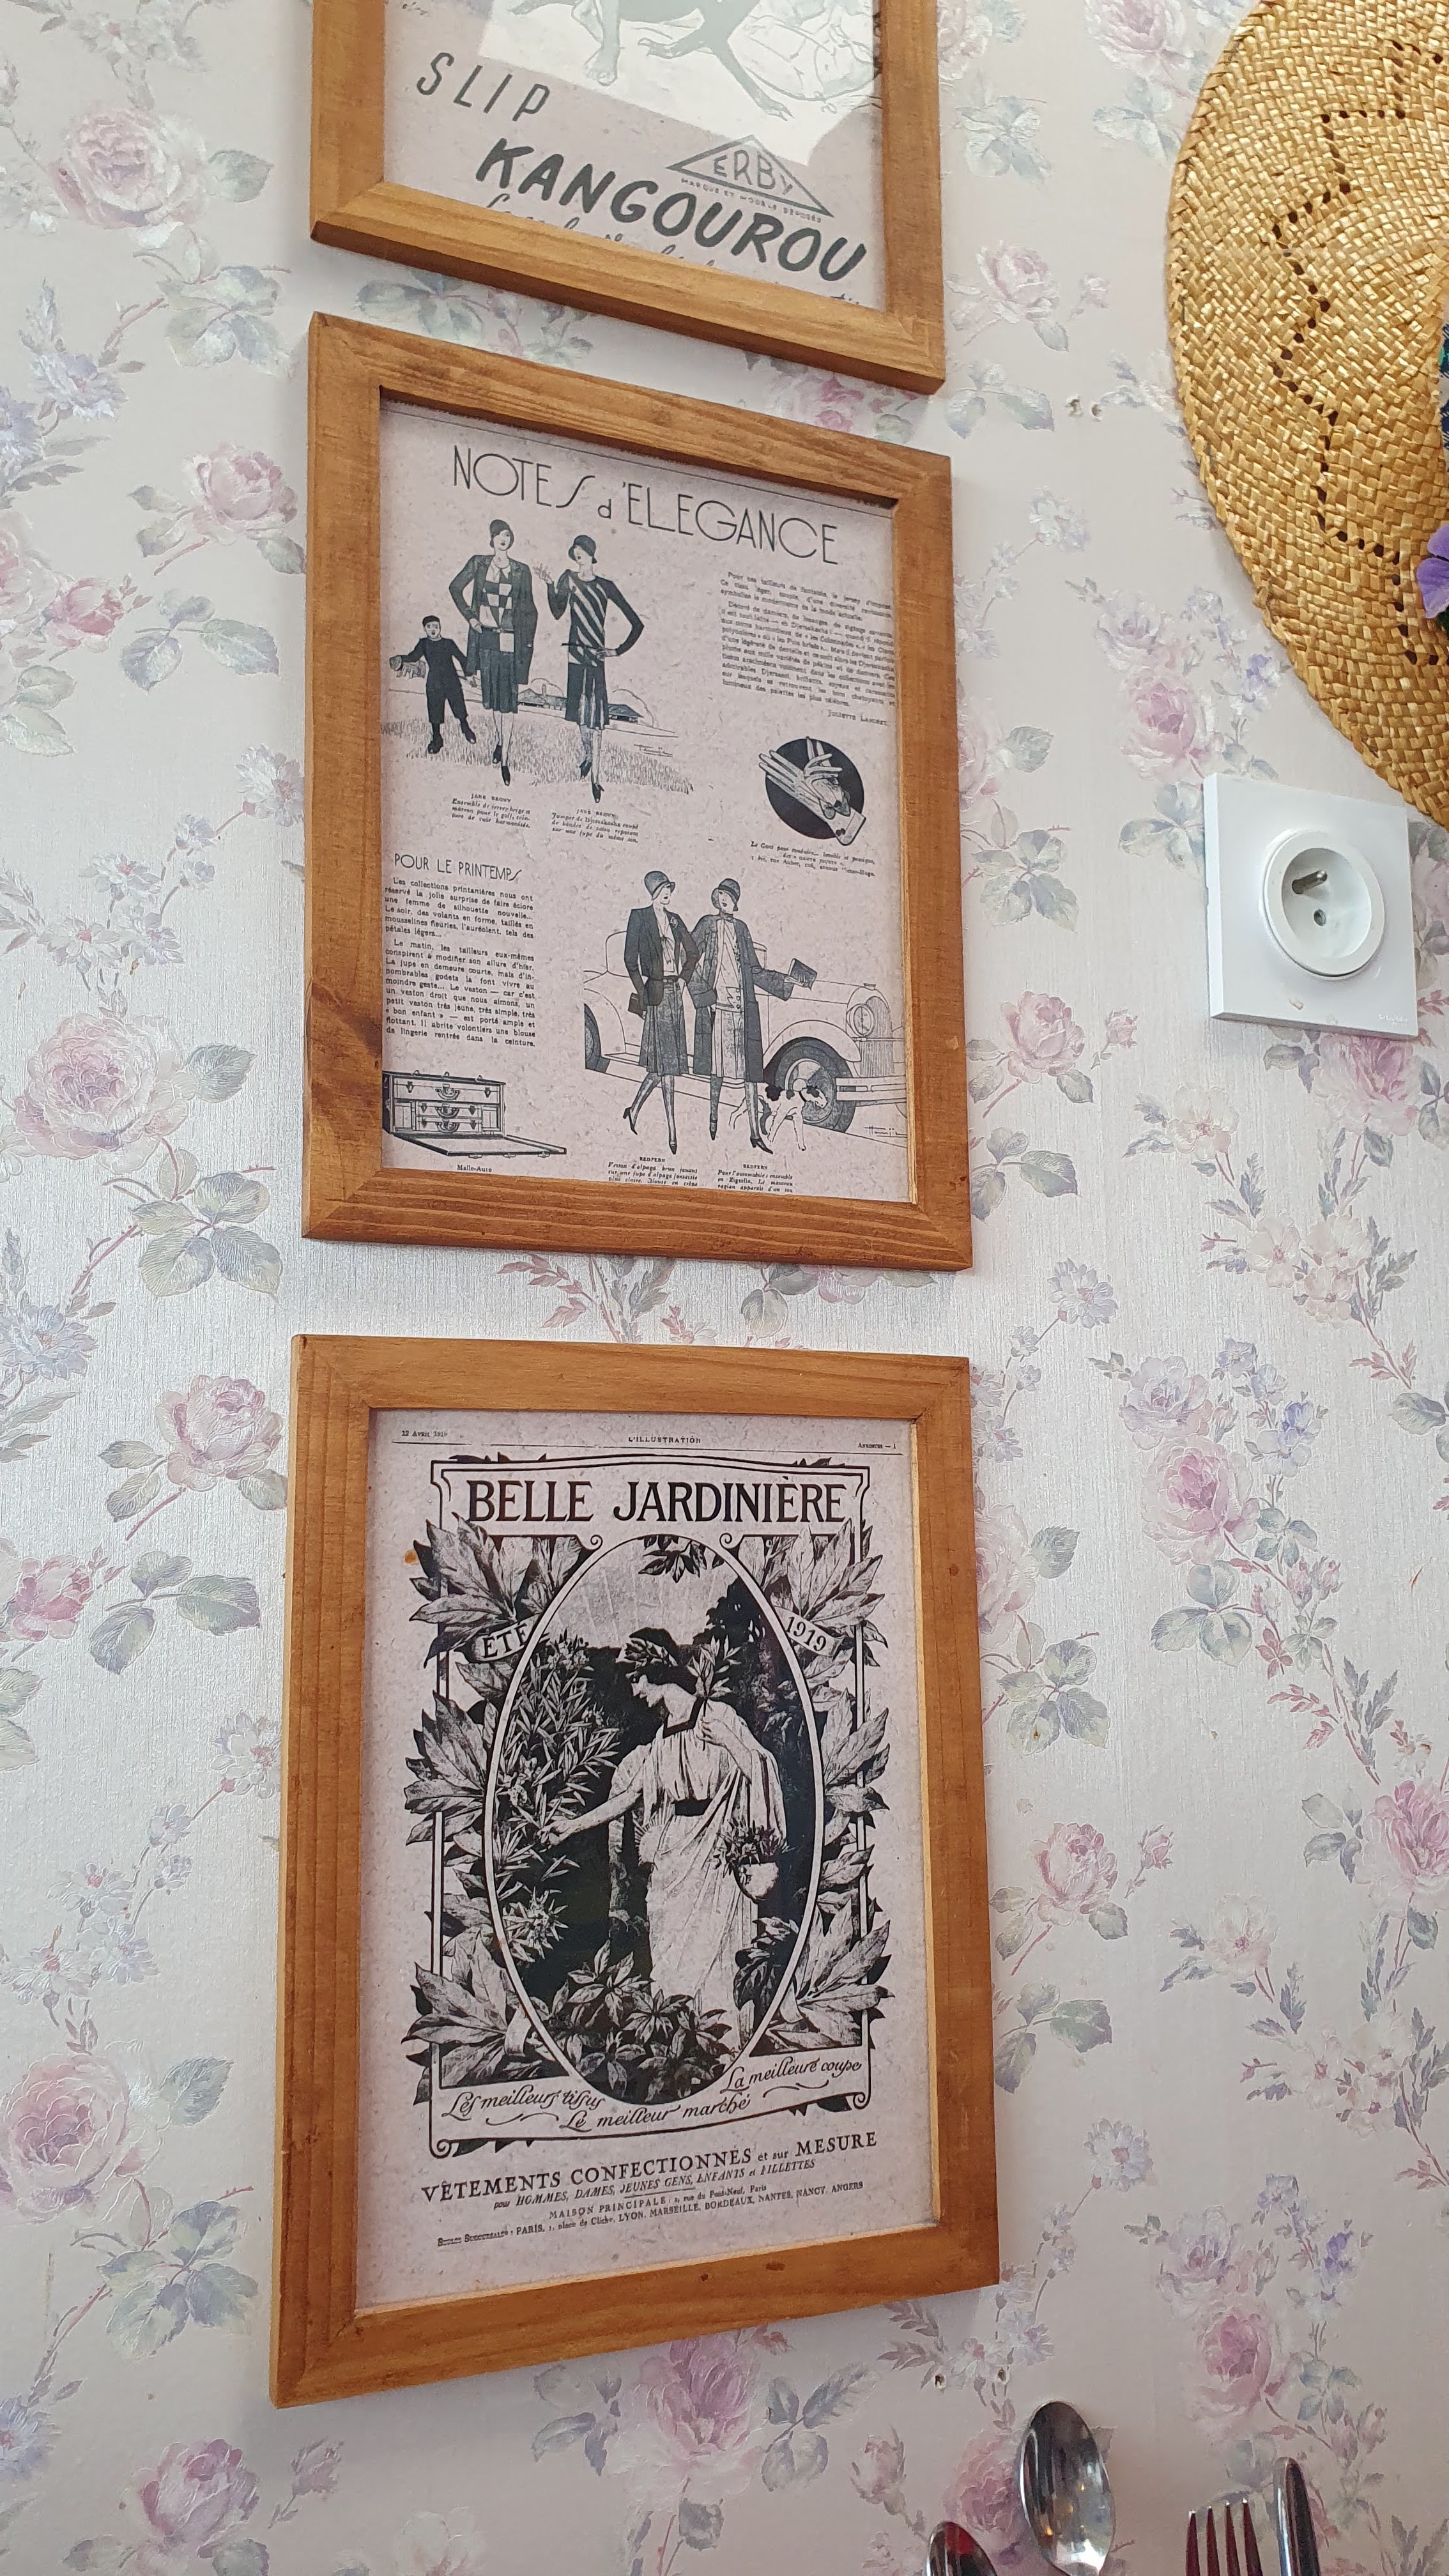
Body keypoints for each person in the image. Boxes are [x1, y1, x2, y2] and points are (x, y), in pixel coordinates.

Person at [542, 1632, 785, 2051]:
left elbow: (760, 1768)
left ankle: (723, 2047)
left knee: (715, 1956)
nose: (635, 1691)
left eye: (635, 1679)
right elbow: (628, 1797)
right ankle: (681, 2051)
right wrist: (572, 1826)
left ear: (654, 1673)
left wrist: (729, 1743)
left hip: (715, 1855)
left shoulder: (718, 1717)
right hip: (674, 1858)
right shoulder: (661, 1740)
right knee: (670, 1962)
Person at [688, 878, 798, 1153]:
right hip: (718, 1008)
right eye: (721, 894)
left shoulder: (742, 929)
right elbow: (686, 958)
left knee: (751, 1074)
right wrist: (704, 996)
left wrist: (785, 982)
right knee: (717, 1069)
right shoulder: (706, 924)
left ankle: (754, 1133)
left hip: (743, 1009)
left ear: (736, 903)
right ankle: (713, 1117)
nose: (725, 899)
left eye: (730, 896)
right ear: (716, 898)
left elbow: (754, 971)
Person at [547, 534, 643, 802]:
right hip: (575, 657)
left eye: (582, 550)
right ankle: (588, 756)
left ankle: (596, 779)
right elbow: (557, 611)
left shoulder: (606, 586)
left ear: (591, 554)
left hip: (596, 660)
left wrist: (616, 651)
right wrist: (549, 586)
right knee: (581, 716)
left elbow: (637, 624)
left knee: (597, 722)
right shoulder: (568, 579)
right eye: (575, 550)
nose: (578, 554)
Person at [448, 521, 538, 785]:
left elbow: (530, 609)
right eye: (499, 535)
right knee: (495, 701)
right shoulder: (478, 563)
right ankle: (500, 741)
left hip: (510, 641)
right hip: (486, 639)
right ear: (492, 539)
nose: (503, 539)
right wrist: (471, 618)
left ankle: (505, 760)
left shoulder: (521, 570)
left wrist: (527, 644)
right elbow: (455, 588)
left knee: (507, 703)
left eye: (507, 534)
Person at [622, 870, 700, 1157]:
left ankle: (634, 1111)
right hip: (655, 996)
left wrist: (684, 980)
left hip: (675, 996)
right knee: (665, 1069)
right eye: (663, 888)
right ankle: (672, 1130)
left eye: (670, 888)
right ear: (653, 891)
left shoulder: (675, 919)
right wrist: (642, 995)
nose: (668, 893)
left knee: (665, 1068)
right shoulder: (639, 917)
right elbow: (630, 961)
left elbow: (693, 953)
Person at [389, 615, 476, 756]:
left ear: (440, 627)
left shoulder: (448, 643)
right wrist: (400, 658)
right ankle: (437, 739)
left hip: (452, 680)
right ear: (425, 629)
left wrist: (469, 674)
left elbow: (461, 658)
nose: (433, 629)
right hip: (434, 682)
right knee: (435, 710)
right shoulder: (424, 644)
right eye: (429, 627)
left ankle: (465, 728)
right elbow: (413, 657)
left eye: (435, 626)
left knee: (458, 705)